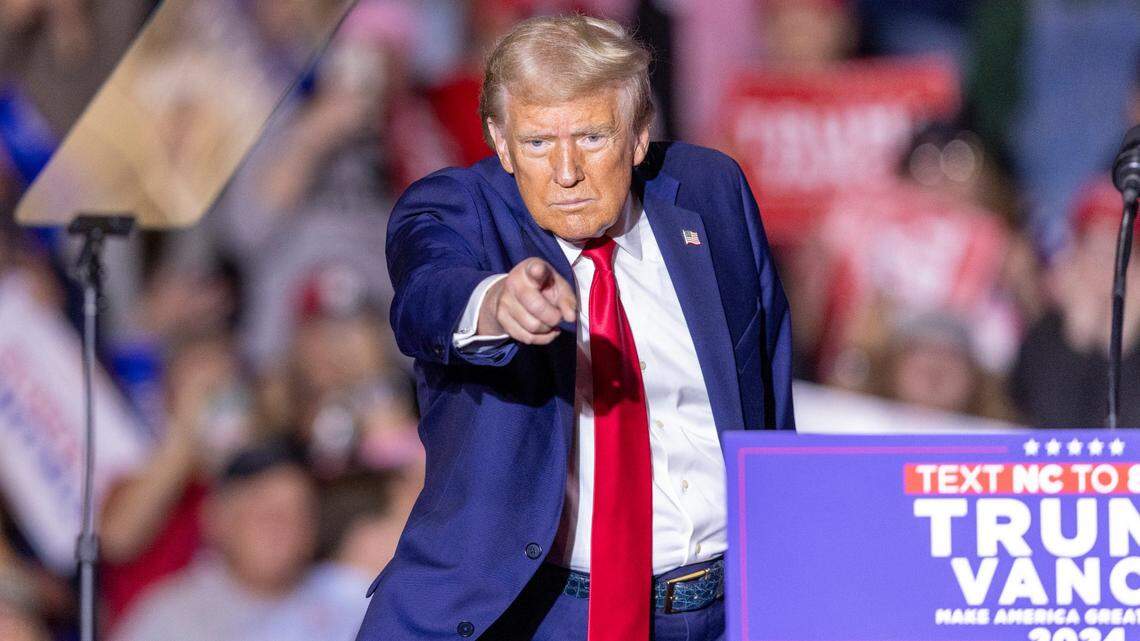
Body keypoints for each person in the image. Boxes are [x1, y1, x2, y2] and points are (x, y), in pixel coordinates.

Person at [355, 15, 793, 641]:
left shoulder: (711, 191)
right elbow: (427, 295)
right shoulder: (456, 209)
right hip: (540, 613)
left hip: (734, 604)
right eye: (536, 143)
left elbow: (770, 384)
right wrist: (495, 301)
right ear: (499, 141)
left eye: (591, 137)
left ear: (640, 135)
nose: (565, 172)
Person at [111, 441, 318, 641]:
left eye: (296, 513)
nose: (279, 528)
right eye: (264, 513)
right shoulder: (172, 616)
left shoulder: (337, 603)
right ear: (219, 518)